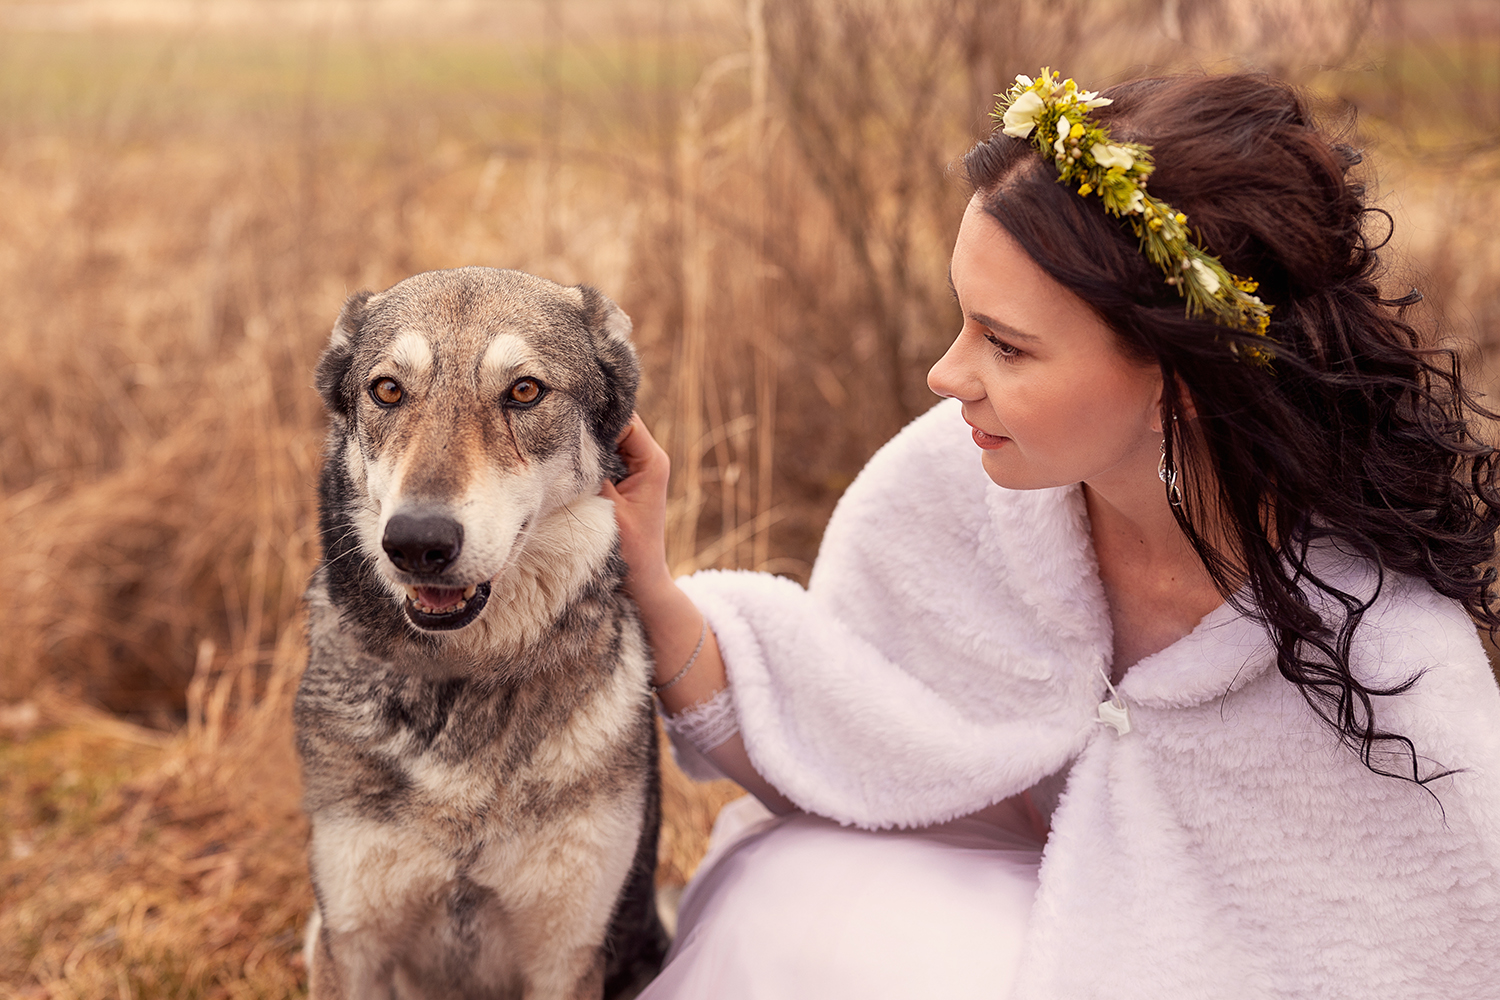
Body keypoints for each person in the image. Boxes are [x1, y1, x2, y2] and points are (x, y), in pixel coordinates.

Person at [603, 70, 1500, 999]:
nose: (947, 376)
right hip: (920, 943)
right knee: (795, 913)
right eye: (964, 321)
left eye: (1006, 344)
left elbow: (1427, 955)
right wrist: (647, 585)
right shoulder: (948, 481)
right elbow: (847, 762)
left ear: (1179, 379)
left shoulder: (1384, 657)